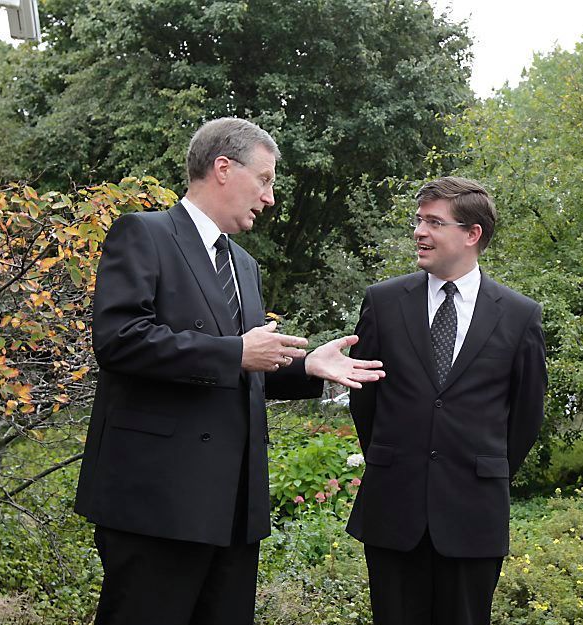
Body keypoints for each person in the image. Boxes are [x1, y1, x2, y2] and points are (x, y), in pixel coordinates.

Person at [74, 117, 384, 625]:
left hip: (234, 508)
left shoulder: (244, 265)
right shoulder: (144, 234)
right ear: (223, 168)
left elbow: (247, 363)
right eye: (264, 180)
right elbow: (119, 341)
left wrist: (308, 366)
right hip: (158, 503)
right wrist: (233, 353)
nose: (270, 198)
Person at [345, 176, 547, 625]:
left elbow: (526, 415)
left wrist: (481, 471)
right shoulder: (382, 302)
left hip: (473, 515)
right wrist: (397, 460)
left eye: (434, 222)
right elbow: (365, 399)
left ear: (472, 234)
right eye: (419, 221)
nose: (420, 232)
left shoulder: (519, 316)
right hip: (393, 512)